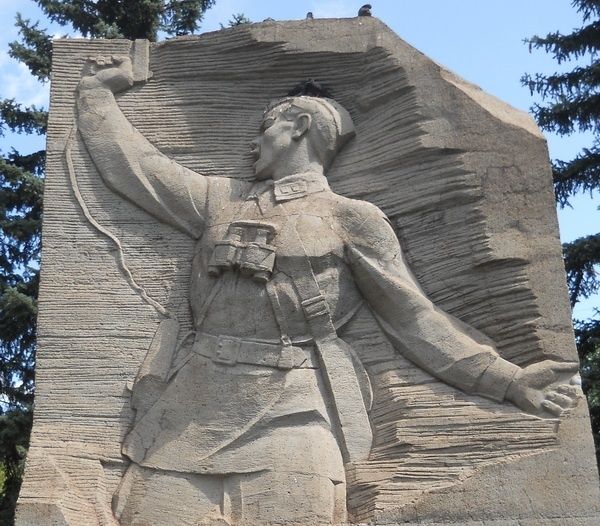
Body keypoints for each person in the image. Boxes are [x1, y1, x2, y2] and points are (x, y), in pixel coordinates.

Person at [76, 56, 578, 525]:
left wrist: (509, 381)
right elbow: (135, 166)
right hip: (189, 411)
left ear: (299, 126)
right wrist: (97, 95)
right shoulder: (219, 200)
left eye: (264, 128)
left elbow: (412, 316)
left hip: (292, 415)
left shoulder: (351, 219)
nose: (254, 143)